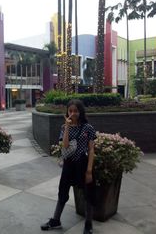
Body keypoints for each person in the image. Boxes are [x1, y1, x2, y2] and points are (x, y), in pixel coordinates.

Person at [41, 99, 97, 234]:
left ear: (80, 112)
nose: (73, 113)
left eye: (75, 111)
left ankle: (88, 224)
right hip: (69, 164)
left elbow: (91, 150)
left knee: (88, 194)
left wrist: (89, 171)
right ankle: (56, 220)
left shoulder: (88, 128)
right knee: (62, 192)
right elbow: (65, 145)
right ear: (67, 112)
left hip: (83, 164)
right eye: (70, 111)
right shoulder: (64, 127)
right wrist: (67, 126)